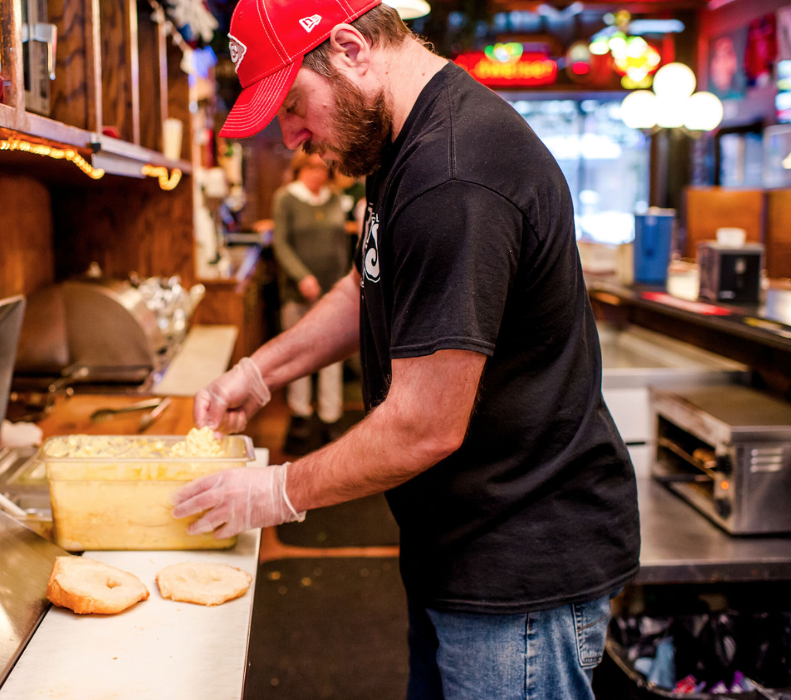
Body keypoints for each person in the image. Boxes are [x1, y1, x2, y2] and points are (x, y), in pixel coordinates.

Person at [172, 1, 641, 699]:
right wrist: (260, 371)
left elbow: (425, 423)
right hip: (459, 545)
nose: (293, 134)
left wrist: (275, 492)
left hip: (517, 569)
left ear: (352, 48)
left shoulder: (453, 174)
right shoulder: (400, 144)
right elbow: (371, 281)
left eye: (295, 103)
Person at [271, 150, 351, 454]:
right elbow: (281, 243)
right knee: (299, 356)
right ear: (300, 168)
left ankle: (331, 417)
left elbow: (341, 244)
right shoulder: (286, 198)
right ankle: (300, 416)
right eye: (313, 167)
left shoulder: (333, 199)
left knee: (331, 356)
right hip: (298, 293)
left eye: (324, 168)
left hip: (333, 293)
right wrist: (301, 277)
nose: (318, 173)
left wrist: (345, 281)